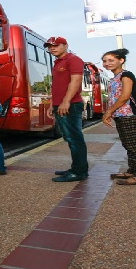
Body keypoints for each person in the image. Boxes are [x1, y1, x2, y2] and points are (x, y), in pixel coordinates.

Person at [101, 48, 136, 186]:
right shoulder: (115, 77)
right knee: (128, 144)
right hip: (121, 115)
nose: (107, 63)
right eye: (104, 61)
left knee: (134, 145)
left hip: (129, 115)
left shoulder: (126, 75)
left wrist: (109, 112)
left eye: (111, 60)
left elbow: (125, 96)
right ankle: (132, 170)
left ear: (121, 60)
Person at [46, 36, 88, 182]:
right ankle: (76, 168)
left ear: (65, 45)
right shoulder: (57, 62)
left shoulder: (73, 59)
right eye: (50, 46)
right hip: (61, 104)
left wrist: (66, 102)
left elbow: (75, 81)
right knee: (69, 138)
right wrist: (53, 104)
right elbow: (57, 86)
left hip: (71, 104)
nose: (52, 48)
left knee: (74, 138)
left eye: (56, 45)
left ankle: (79, 172)